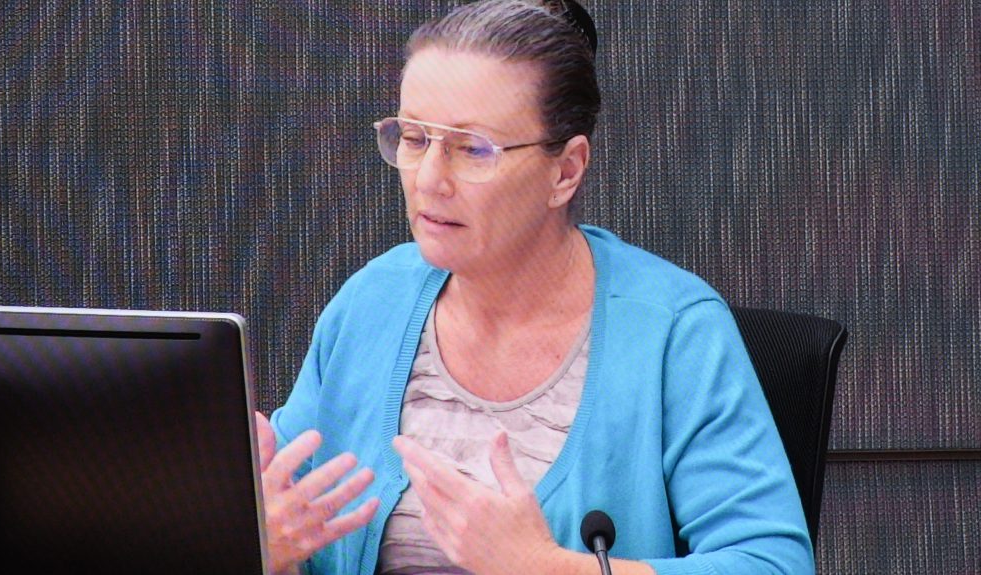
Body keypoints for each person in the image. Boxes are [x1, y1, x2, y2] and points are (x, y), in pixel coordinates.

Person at [256, 1, 815, 574]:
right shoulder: (372, 301)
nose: (428, 180)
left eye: (472, 148)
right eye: (415, 138)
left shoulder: (674, 330)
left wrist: (543, 567)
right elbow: (294, 524)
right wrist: (260, 547)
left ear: (565, 171)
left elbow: (772, 564)